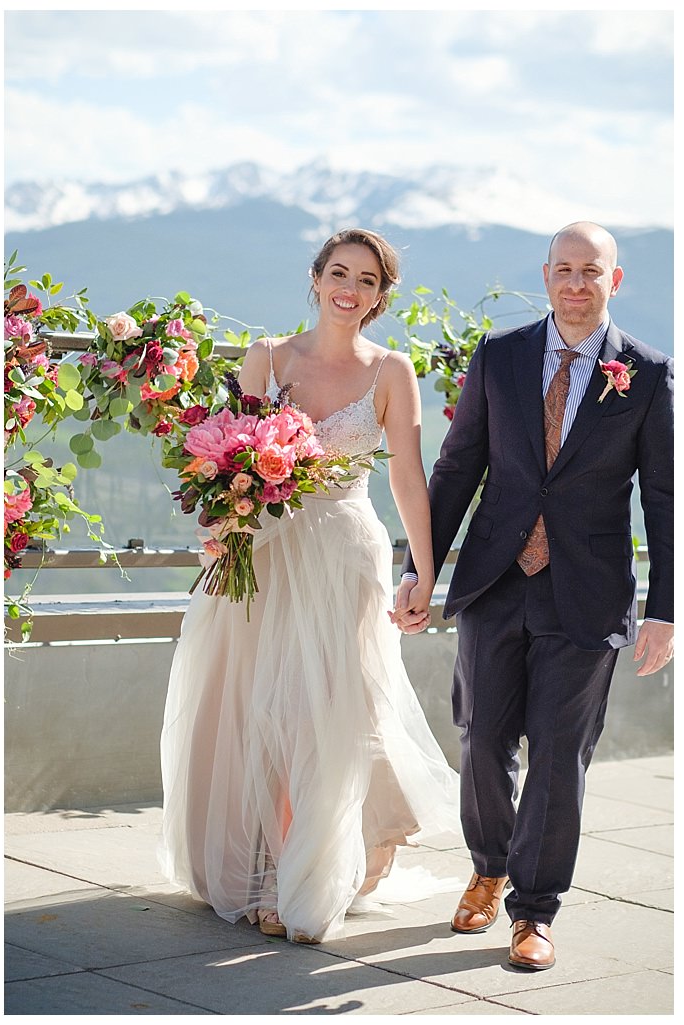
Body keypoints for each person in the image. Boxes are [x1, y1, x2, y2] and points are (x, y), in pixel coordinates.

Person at [159, 227, 460, 944]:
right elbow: (229, 457)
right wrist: (224, 522)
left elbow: (408, 477)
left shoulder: (391, 370)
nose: (348, 290)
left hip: (346, 556)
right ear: (316, 276)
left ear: (381, 296)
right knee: (261, 704)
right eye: (337, 272)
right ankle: (265, 873)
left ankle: (308, 870)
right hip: (265, 551)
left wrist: (424, 570)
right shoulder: (266, 357)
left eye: (365, 280)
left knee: (324, 709)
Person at [396, 221, 674, 971]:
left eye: (591, 271)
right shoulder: (500, 356)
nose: (576, 284)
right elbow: (456, 470)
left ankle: (534, 910)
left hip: (589, 594)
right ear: (545, 275)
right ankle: (490, 865)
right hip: (495, 581)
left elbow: (663, 498)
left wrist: (665, 608)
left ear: (614, 282)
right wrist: (419, 569)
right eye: (563, 270)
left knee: (558, 753)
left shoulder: (647, 373)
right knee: (482, 734)